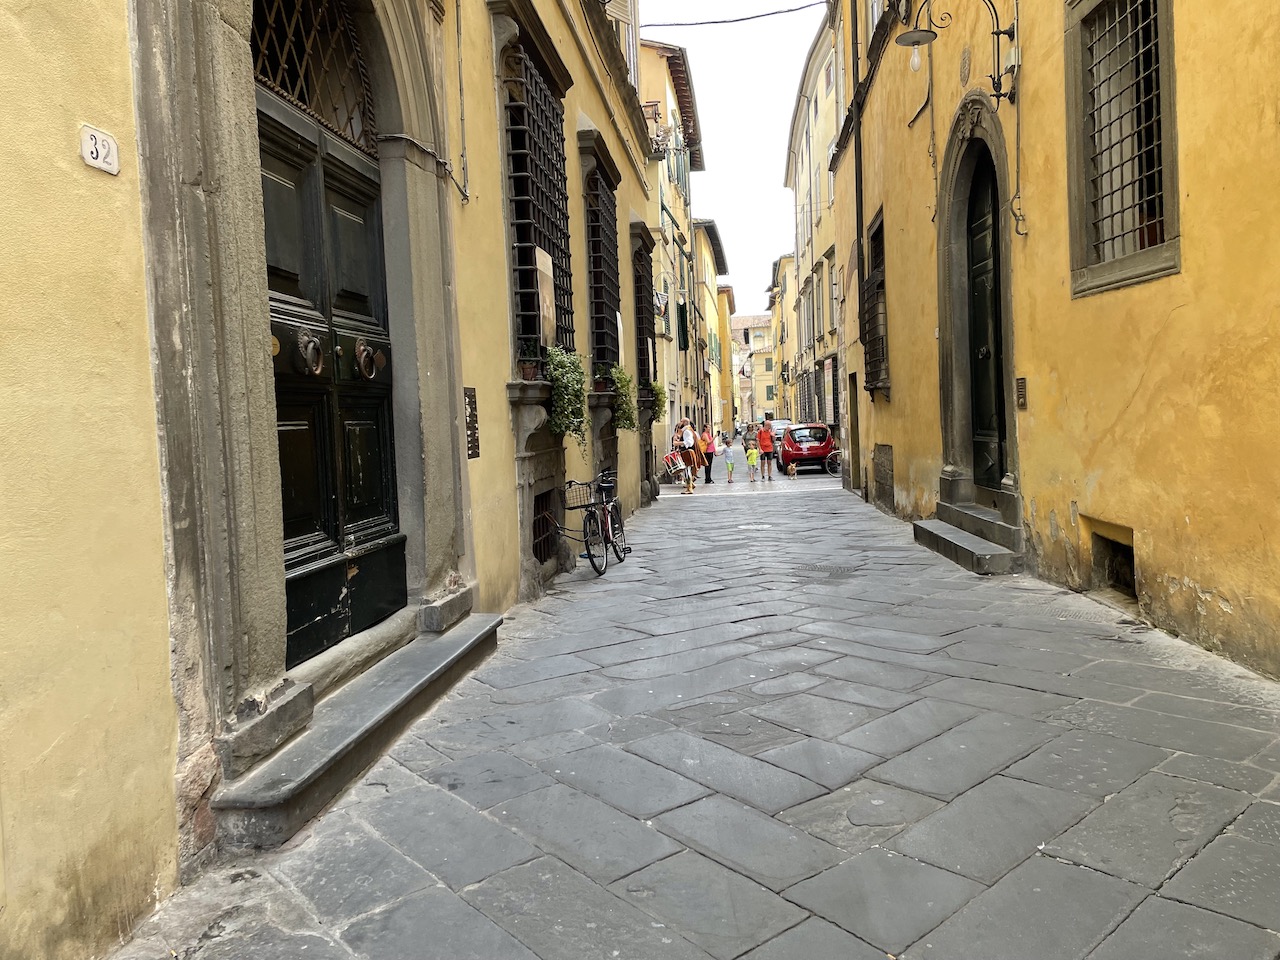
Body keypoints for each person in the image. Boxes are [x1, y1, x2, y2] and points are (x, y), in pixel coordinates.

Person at [677, 418, 700, 494]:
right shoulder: (688, 430)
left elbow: (689, 442)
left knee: (687, 470)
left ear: (684, 423)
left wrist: (678, 443)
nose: (679, 423)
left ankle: (689, 488)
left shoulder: (686, 431)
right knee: (687, 470)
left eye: (681, 421)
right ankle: (690, 485)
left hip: (687, 452)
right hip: (688, 452)